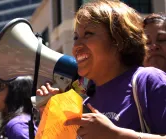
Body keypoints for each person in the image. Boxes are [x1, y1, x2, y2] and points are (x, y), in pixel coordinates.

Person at [36, 0, 166, 139]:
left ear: (119, 40)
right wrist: (55, 117)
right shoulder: (86, 104)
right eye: (75, 37)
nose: (76, 46)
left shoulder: (149, 81)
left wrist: (116, 135)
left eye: (88, 34)